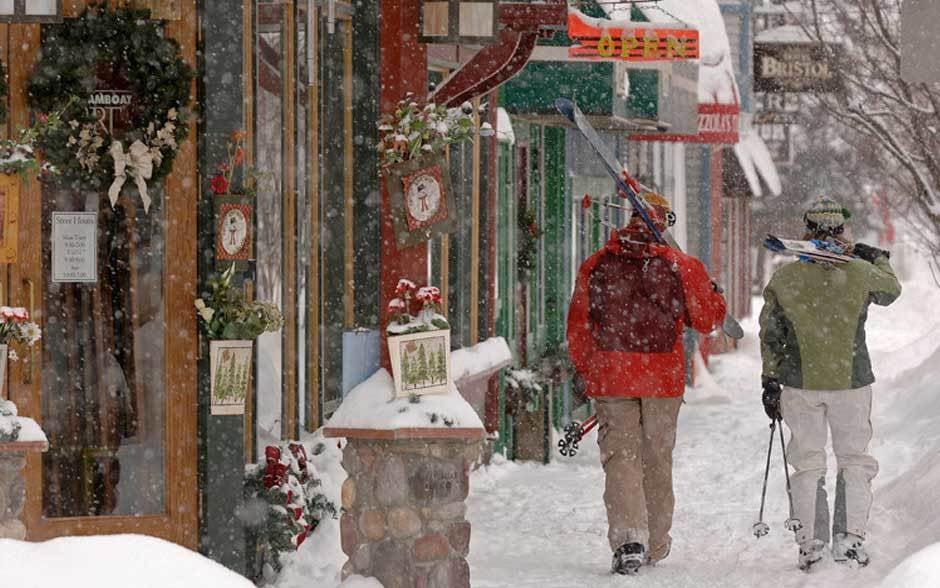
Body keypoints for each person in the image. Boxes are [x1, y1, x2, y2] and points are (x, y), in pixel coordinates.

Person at [566, 192, 728, 575]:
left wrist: (591, 372)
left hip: (613, 376)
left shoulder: (596, 264)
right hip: (662, 380)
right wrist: (713, 294)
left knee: (621, 459)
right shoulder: (681, 266)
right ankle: (654, 542)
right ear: (664, 224)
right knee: (656, 459)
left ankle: (629, 542)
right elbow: (707, 320)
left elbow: (579, 326)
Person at [759, 197, 901, 571]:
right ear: (842, 230)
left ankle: (811, 542)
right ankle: (849, 539)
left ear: (807, 230)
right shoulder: (860, 272)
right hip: (851, 381)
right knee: (854, 460)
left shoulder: (785, 278)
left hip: (800, 383)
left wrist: (770, 378)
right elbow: (891, 290)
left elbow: (771, 334)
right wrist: (877, 257)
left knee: (807, 464)